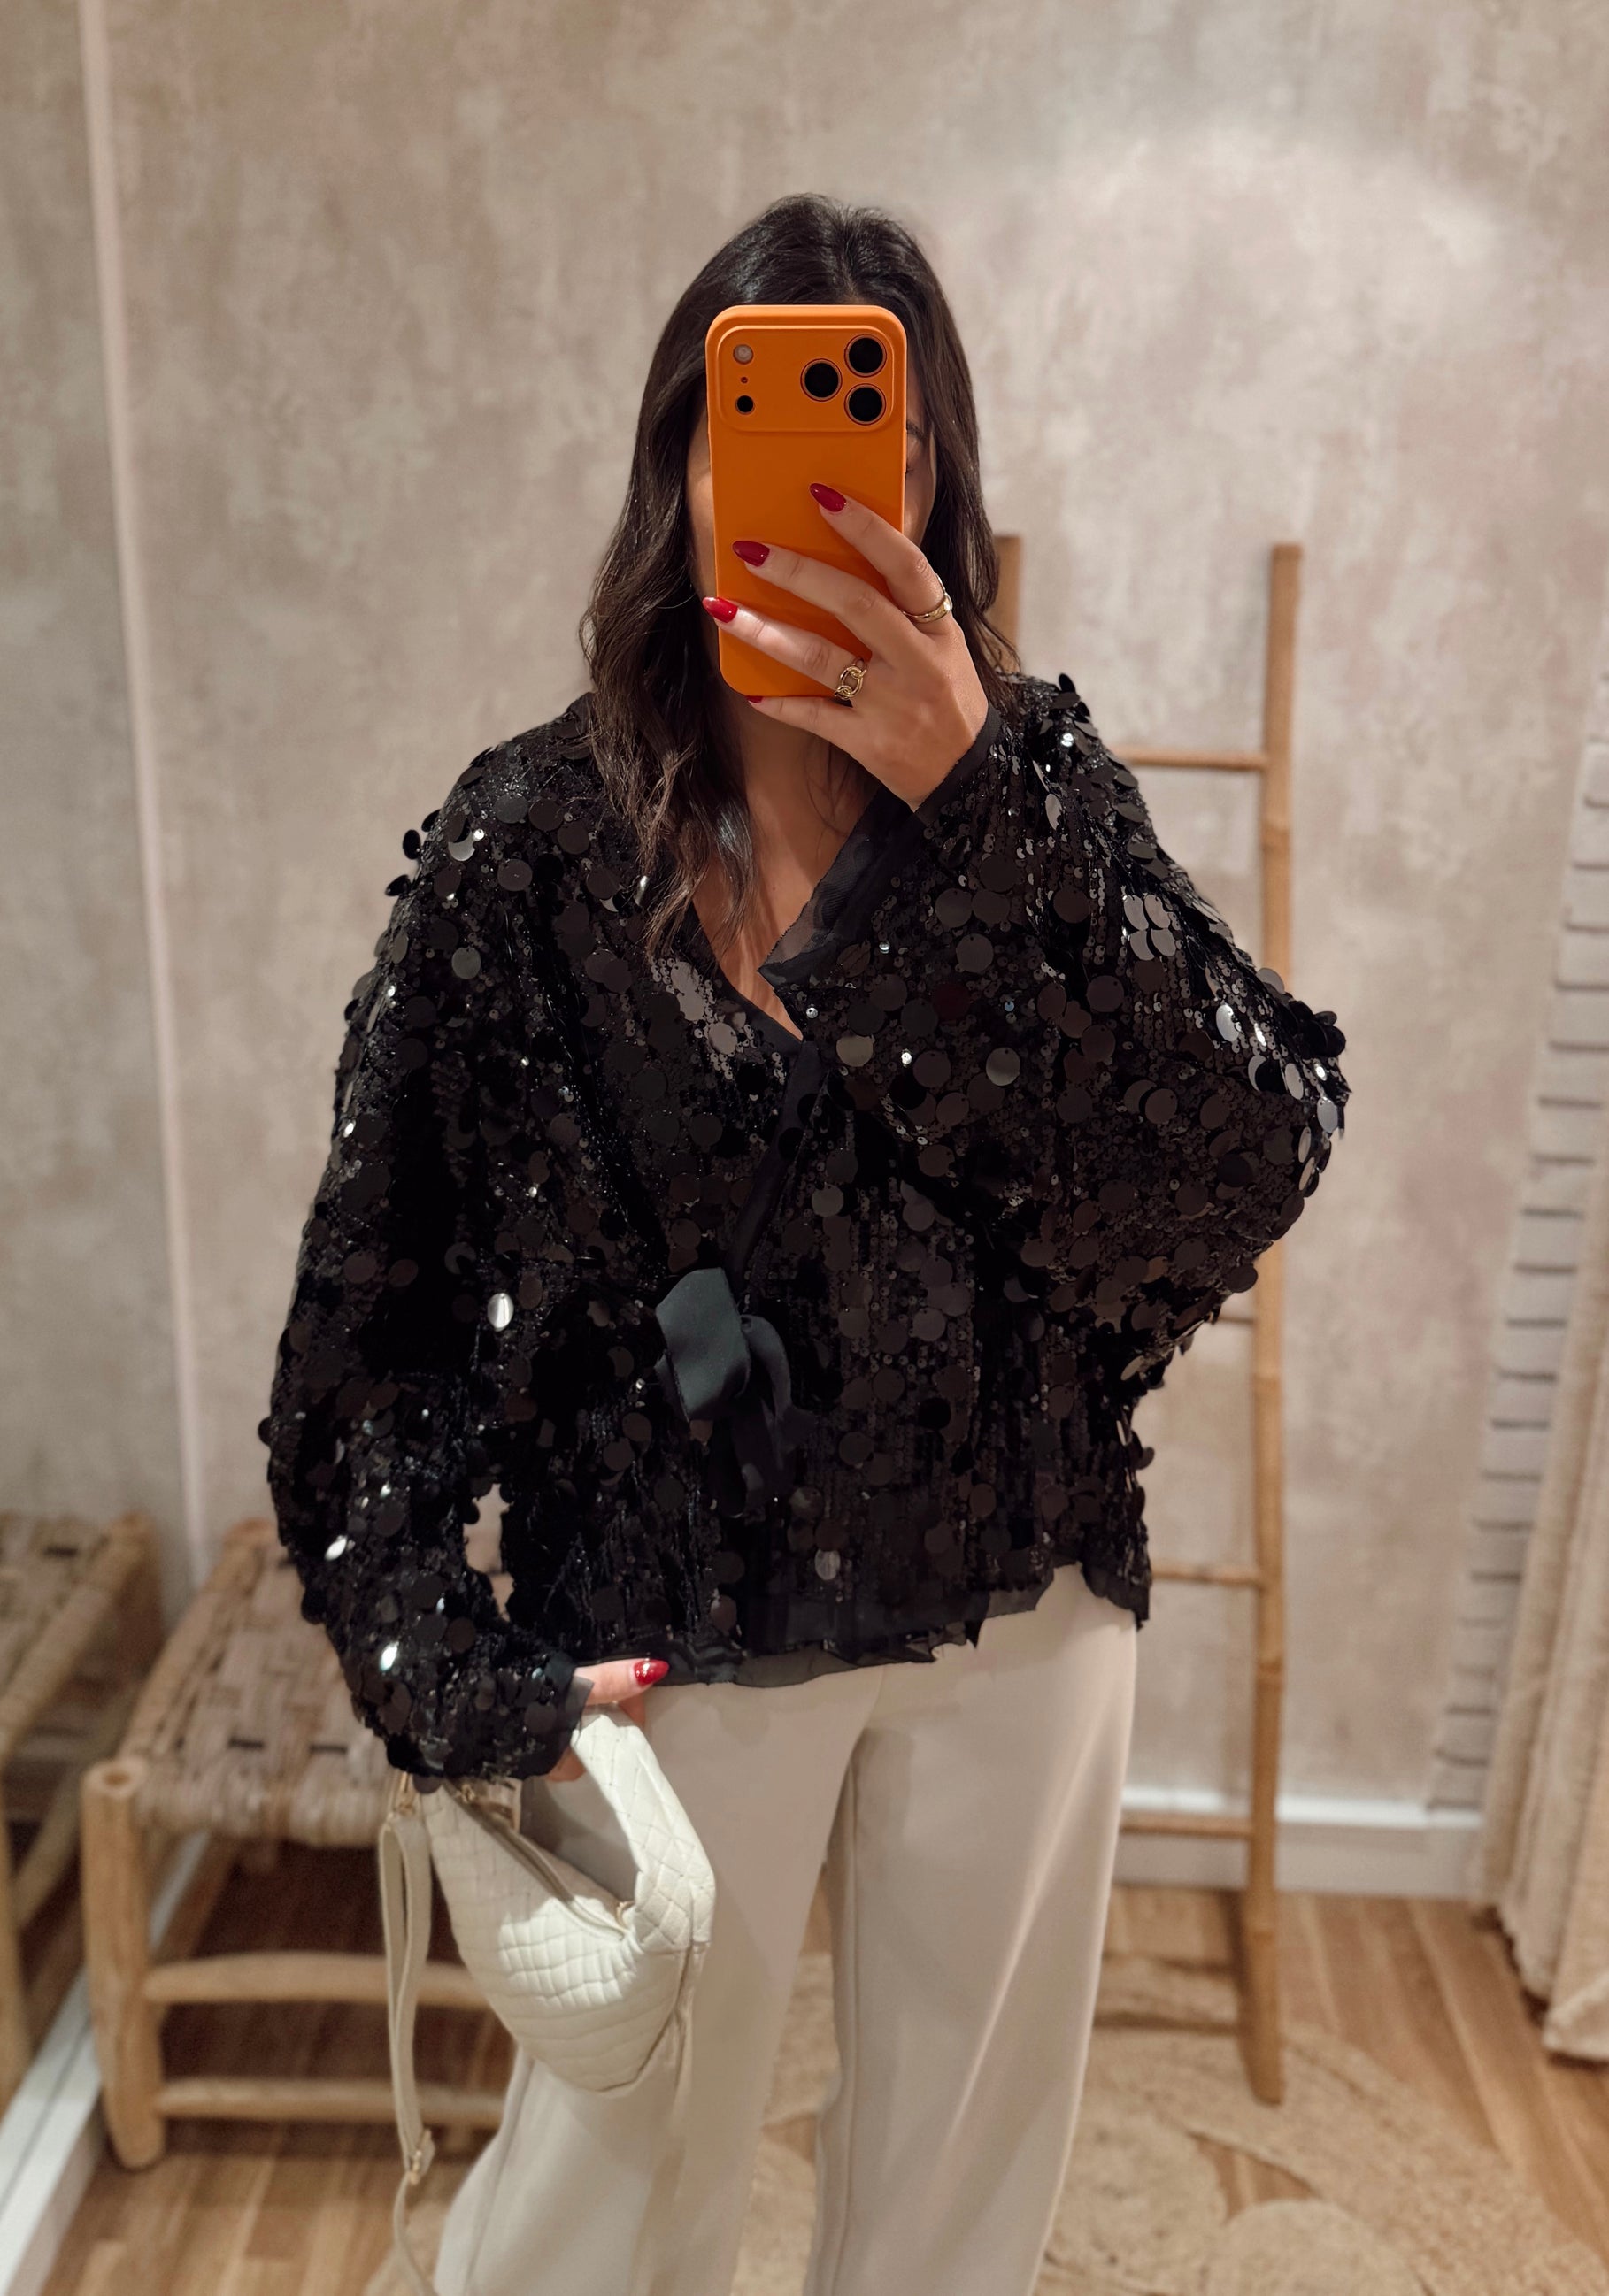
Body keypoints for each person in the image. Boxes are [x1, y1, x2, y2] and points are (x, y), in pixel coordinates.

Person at [263, 192, 1349, 2296]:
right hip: (670, 1624)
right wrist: (449, 1670)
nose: (831, 480)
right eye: (753, 424)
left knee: (954, 2206)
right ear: (677, 470)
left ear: (938, 481)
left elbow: (1244, 1148)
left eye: (884, 433)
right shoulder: (527, 851)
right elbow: (369, 1328)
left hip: (1018, 1588)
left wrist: (978, 806)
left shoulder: (1035, 795)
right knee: (594, 2212)